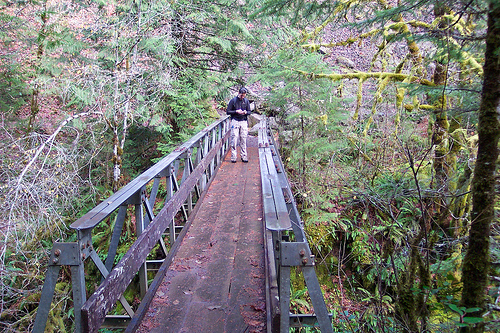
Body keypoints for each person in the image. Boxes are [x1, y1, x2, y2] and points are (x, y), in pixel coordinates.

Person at [226, 87, 251, 163]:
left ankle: (244, 156)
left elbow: (249, 111)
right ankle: (233, 156)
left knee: (243, 138)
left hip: (243, 121)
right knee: (234, 138)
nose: (242, 97)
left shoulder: (246, 101)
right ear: (238, 93)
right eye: (241, 95)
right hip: (235, 121)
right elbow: (228, 111)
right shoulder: (233, 101)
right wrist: (236, 111)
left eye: (244, 95)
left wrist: (245, 112)